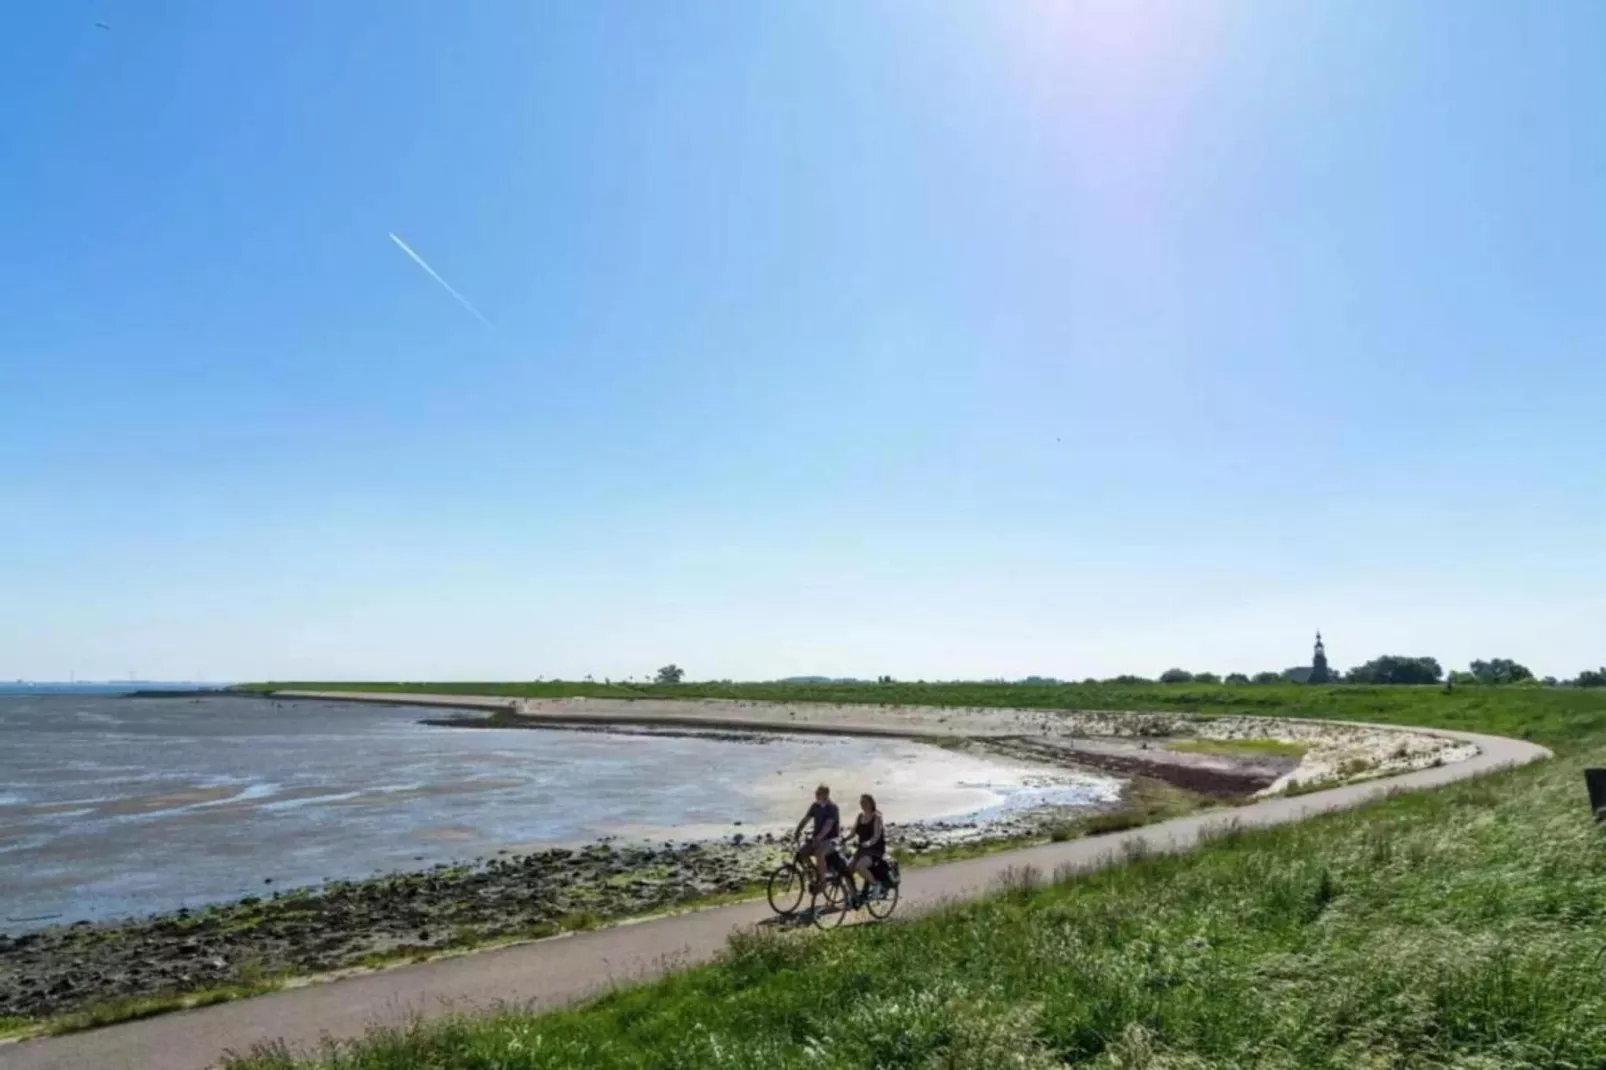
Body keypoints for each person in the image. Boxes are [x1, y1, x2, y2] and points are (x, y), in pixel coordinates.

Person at [793, 784, 840, 891]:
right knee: (801, 853)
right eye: (816, 793)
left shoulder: (832, 808)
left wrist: (819, 837)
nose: (817, 795)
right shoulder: (815, 806)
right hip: (817, 838)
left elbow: (828, 826)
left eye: (819, 793)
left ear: (826, 794)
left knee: (819, 853)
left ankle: (823, 882)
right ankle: (815, 871)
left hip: (831, 839)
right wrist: (797, 831)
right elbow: (806, 819)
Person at [849, 793, 886, 905]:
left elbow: (876, 835)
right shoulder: (860, 816)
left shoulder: (876, 817)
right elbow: (852, 832)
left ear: (871, 803)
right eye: (861, 802)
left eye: (865, 802)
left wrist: (868, 843)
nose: (862, 804)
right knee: (847, 870)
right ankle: (854, 896)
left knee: (860, 866)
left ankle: (876, 885)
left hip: (875, 850)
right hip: (862, 849)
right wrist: (843, 839)